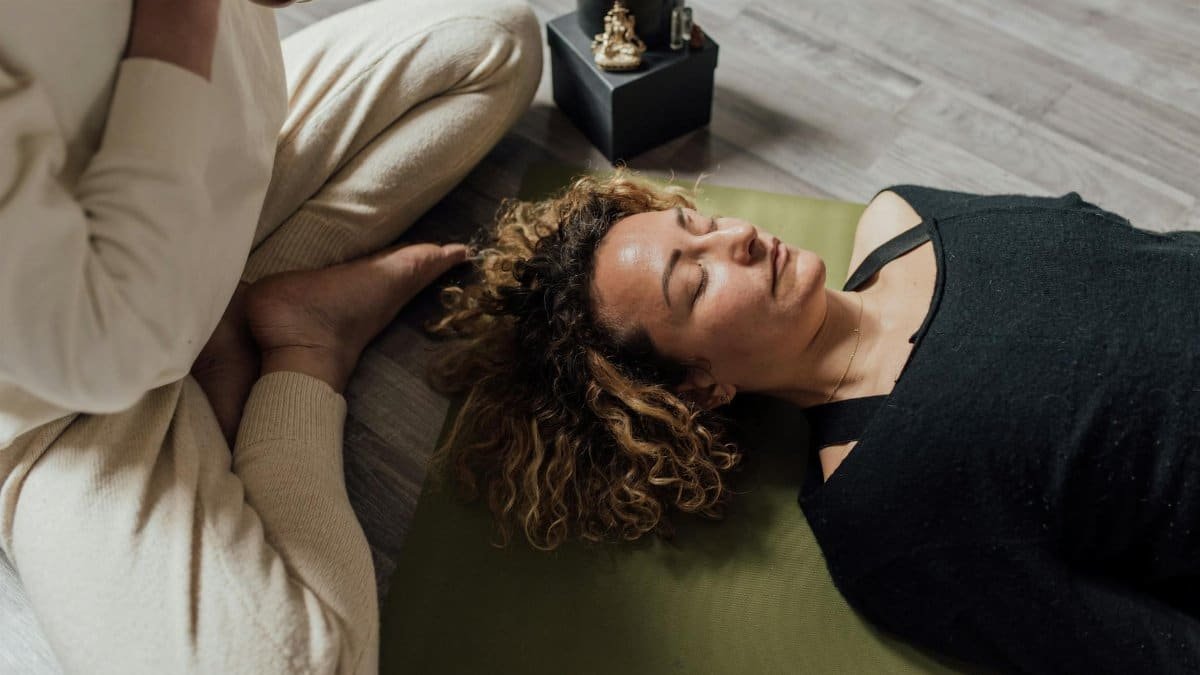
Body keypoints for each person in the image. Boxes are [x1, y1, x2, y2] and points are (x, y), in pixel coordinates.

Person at [426, 170, 1200, 674]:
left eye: (697, 224)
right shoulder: (883, 511)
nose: (737, 238)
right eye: (695, 278)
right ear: (696, 388)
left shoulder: (905, 213)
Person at [0, 0, 541, 673]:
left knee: (495, 43)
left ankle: (248, 299)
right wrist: (181, 17)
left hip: (218, 182)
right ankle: (309, 347)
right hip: (68, 399)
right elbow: (103, 348)